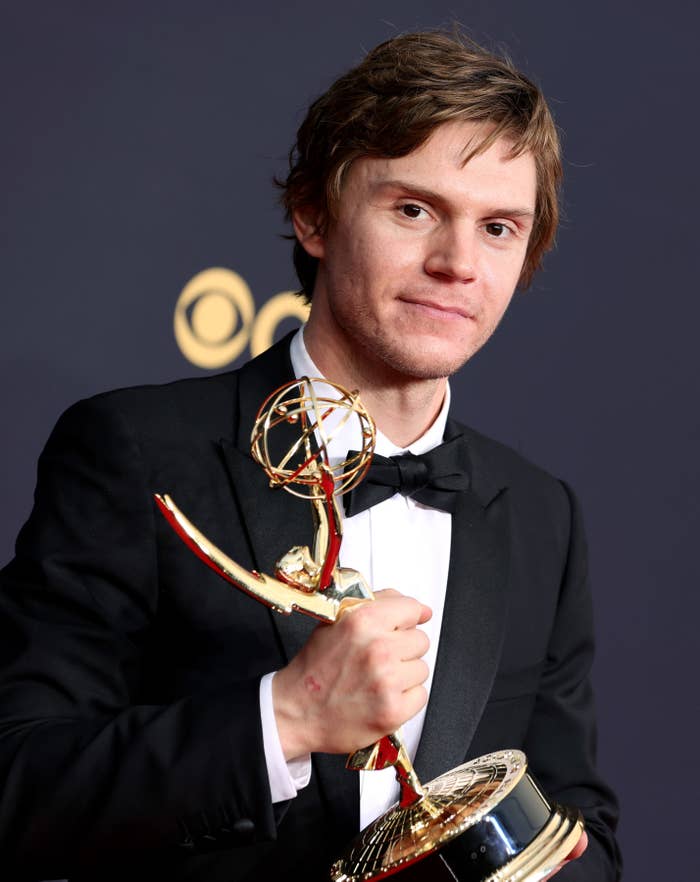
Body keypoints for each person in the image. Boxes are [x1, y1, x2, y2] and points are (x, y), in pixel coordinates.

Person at [0, 30, 621, 882]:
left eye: (499, 228)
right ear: (313, 215)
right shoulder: (133, 451)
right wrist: (285, 717)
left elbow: (585, 831)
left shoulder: (541, 513)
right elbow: (19, 788)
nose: (457, 264)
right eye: (414, 210)